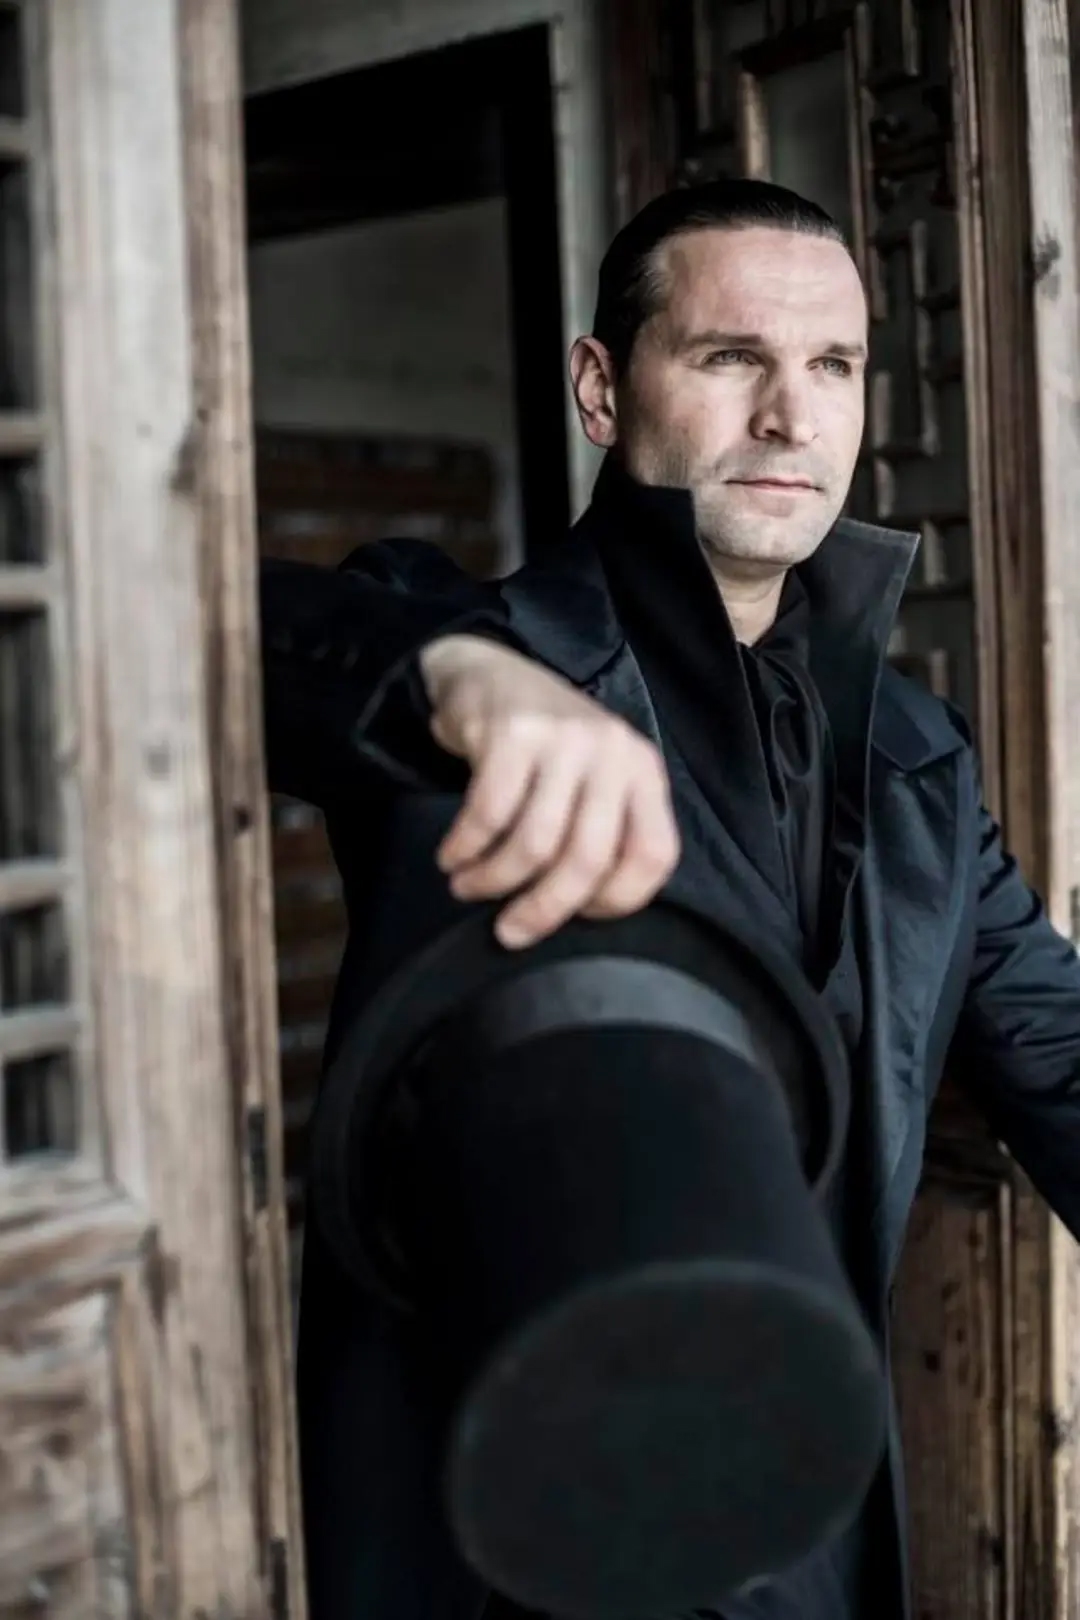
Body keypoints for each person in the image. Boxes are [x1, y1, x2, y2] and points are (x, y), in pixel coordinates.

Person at [260, 179, 1080, 1620]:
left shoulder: (916, 755)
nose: (791, 415)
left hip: (808, 1525)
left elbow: (1058, 1049)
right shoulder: (469, 652)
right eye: (730, 356)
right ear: (601, 386)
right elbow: (238, 636)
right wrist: (451, 676)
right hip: (506, 1533)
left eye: (833, 365)